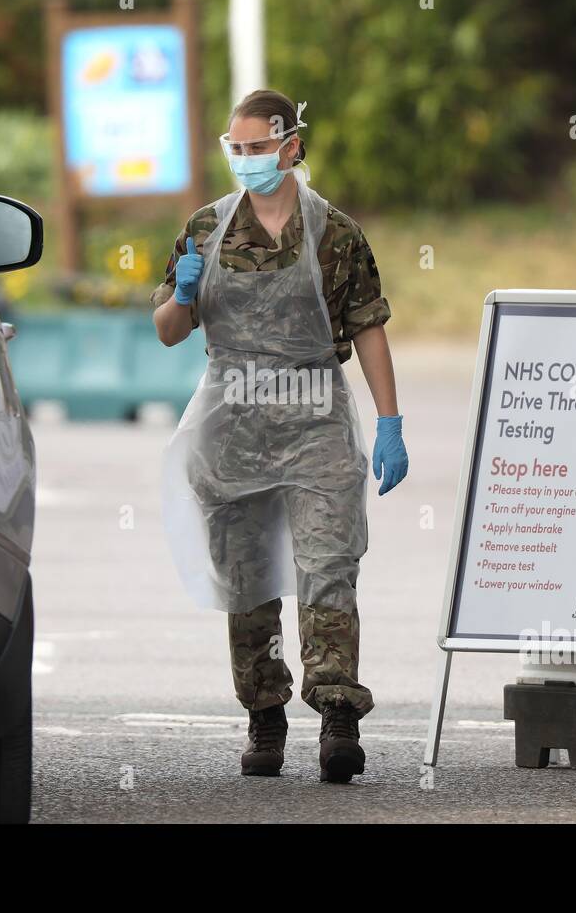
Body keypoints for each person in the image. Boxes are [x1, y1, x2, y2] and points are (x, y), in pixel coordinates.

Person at [151, 90, 408, 783]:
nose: (246, 159)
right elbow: (170, 332)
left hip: (315, 420)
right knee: (247, 577)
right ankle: (264, 712)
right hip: (232, 423)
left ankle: (337, 713)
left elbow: (369, 325)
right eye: (235, 149)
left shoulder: (336, 233)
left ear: (292, 146)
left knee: (329, 563)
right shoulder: (207, 228)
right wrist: (181, 295)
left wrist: (389, 420)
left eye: (258, 148)